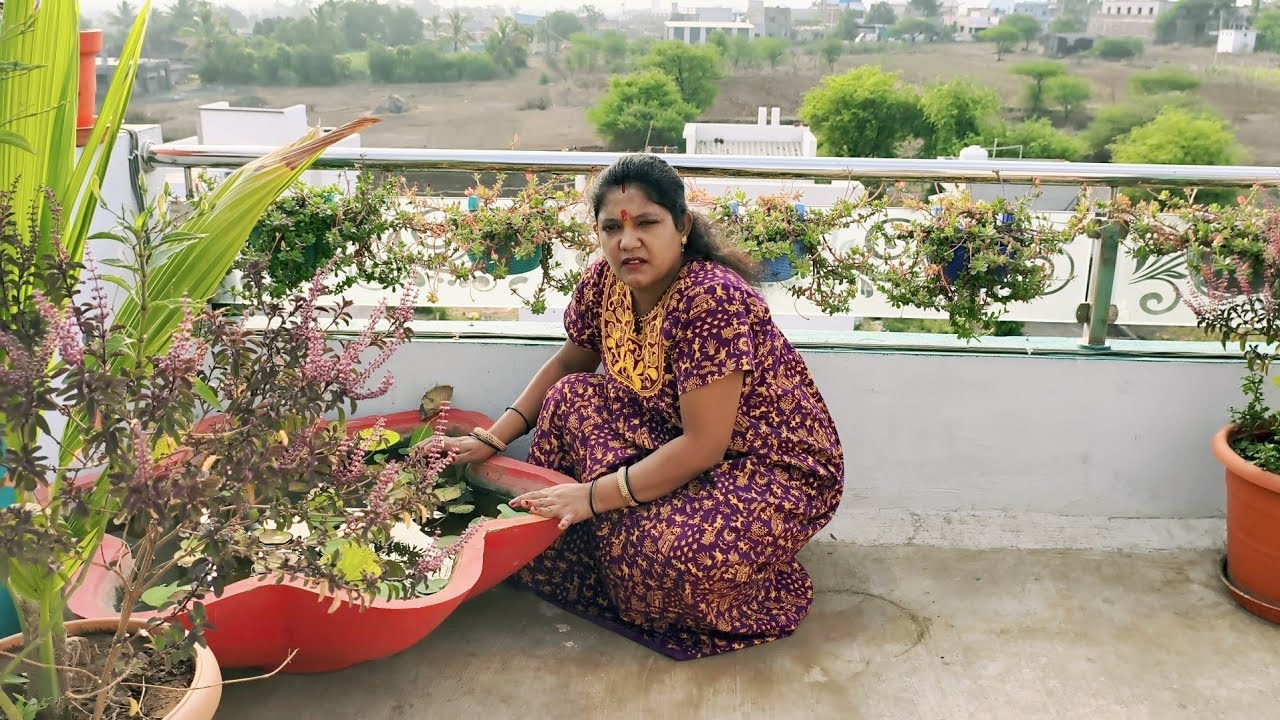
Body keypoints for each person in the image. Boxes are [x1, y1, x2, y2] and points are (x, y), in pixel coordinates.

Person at [440, 154, 844, 660]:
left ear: (683, 227)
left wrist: (589, 499)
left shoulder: (713, 300)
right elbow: (570, 361)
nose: (627, 241)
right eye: (612, 227)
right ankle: (615, 534)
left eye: (647, 223)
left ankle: (750, 573)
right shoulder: (604, 282)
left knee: (667, 561)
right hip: (663, 430)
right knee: (570, 400)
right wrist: (491, 438)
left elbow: (704, 445)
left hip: (767, 464)